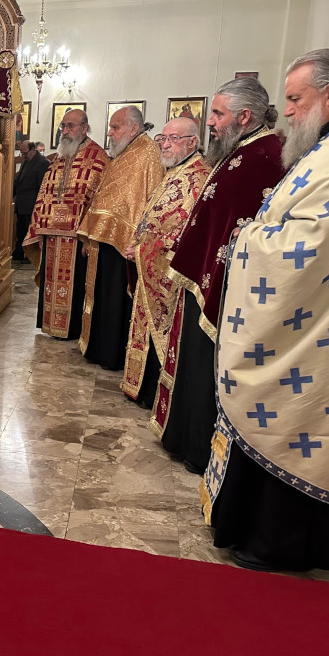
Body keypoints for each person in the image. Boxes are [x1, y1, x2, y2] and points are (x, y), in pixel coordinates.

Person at [205, 48, 329, 573]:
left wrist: (247, 242)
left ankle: (283, 543)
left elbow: (310, 244)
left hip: (328, 320)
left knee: (305, 419)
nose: (285, 111)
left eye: (294, 98)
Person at [149, 77, 284, 475]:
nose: (211, 122)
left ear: (244, 116)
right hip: (202, 275)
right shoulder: (238, 150)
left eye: (218, 114)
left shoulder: (266, 155)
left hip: (224, 286)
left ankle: (198, 444)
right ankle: (184, 436)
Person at [120, 117, 210, 408]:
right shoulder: (174, 171)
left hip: (167, 270)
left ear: (192, 142)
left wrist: (145, 249)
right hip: (148, 261)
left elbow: (184, 230)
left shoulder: (198, 176)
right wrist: (137, 241)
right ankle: (140, 387)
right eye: (163, 137)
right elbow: (152, 215)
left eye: (173, 138)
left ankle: (154, 394)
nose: (165, 144)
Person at [76, 105, 164, 370]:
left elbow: (142, 200)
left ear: (134, 128)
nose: (110, 133)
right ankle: (98, 347)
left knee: (116, 300)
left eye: (116, 127)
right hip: (106, 239)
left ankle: (111, 353)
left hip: (123, 242)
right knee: (103, 296)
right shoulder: (127, 152)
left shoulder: (146, 153)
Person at [23, 109, 109, 340]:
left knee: (76, 287)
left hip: (76, 239)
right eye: (63, 126)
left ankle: (72, 330)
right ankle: (51, 325)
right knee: (52, 285)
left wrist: (88, 236)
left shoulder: (98, 158)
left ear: (84, 128)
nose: (66, 131)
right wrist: (39, 231)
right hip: (51, 238)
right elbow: (44, 196)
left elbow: (99, 202)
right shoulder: (58, 158)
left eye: (71, 126)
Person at [12, 141, 50, 261]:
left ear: (33, 149)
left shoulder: (43, 163)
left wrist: (39, 206)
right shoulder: (25, 162)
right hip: (22, 204)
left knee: (30, 232)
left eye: (25, 153)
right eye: (22, 153)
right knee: (21, 231)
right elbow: (18, 181)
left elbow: (42, 187)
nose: (23, 156)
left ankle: (30, 255)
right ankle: (19, 253)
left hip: (32, 205)